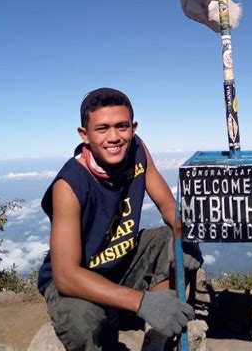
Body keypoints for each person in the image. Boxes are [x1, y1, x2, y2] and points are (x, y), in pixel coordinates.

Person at [37, 88, 201, 351]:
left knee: (172, 239)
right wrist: (140, 302)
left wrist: (186, 235)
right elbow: (66, 275)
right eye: (102, 128)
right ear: (85, 135)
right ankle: (124, 312)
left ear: (133, 128)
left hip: (120, 265)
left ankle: (156, 337)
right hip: (81, 278)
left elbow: (167, 204)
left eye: (122, 126)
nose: (114, 137)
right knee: (83, 323)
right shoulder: (69, 185)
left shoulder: (136, 149)